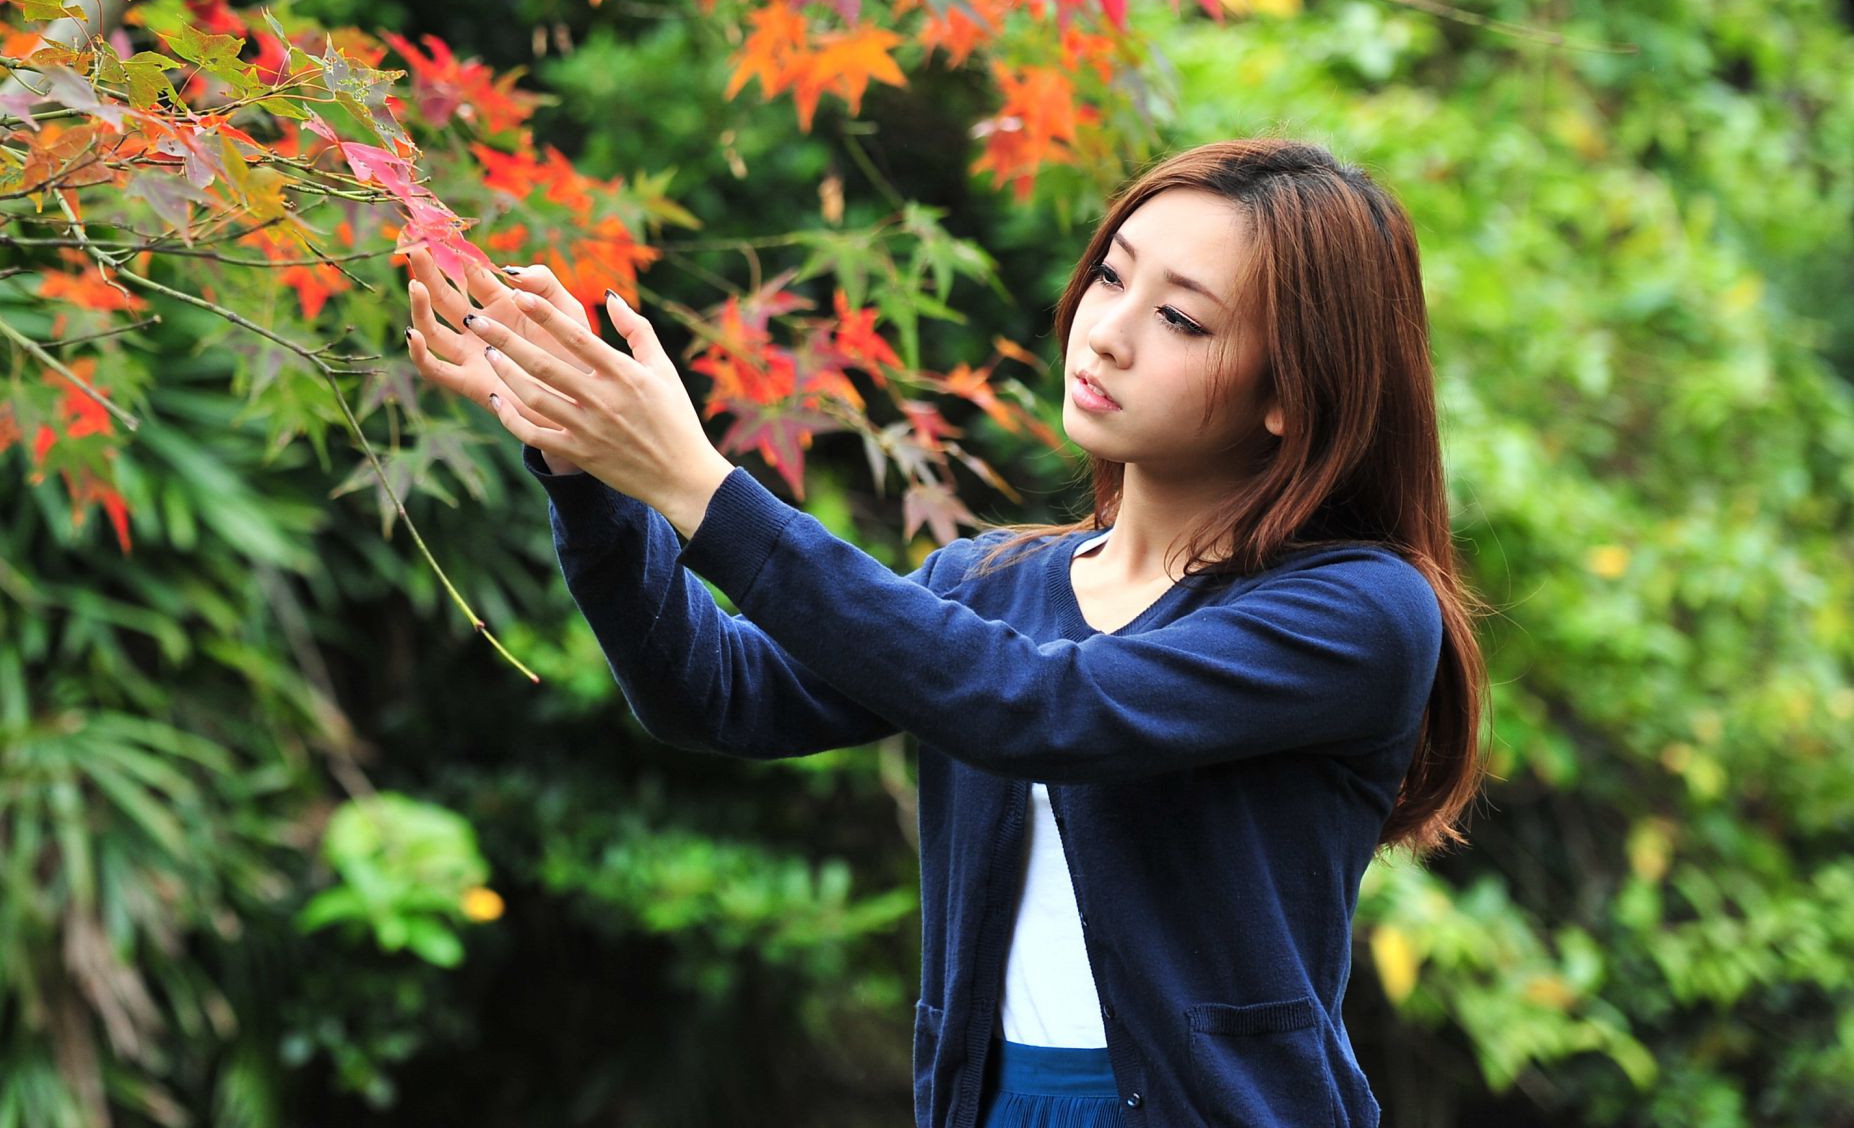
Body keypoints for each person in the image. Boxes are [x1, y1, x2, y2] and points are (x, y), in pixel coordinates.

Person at [403, 138, 1491, 1128]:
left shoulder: (1358, 610)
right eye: (1112, 275)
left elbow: (1046, 707)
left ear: (1292, 394)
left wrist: (700, 484)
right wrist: (586, 466)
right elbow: (714, 690)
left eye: (1181, 318)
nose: (1105, 331)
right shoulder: (994, 584)